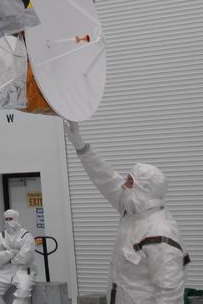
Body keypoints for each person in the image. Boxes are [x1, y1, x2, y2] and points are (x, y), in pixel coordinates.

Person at [63, 121, 188, 304]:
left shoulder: (160, 231)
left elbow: (169, 291)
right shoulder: (132, 212)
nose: (123, 185)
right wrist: (81, 147)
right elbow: (105, 177)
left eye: (130, 182)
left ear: (144, 189)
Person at [0, 209, 34, 304]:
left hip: (24, 269)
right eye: (6, 219)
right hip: (6, 270)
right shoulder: (2, 236)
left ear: (16, 219)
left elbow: (25, 256)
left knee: (23, 291)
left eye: (11, 218)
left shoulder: (26, 235)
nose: (8, 221)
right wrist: (11, 252)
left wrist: (8, 258)